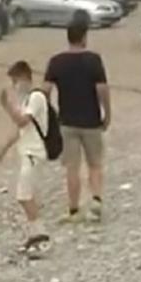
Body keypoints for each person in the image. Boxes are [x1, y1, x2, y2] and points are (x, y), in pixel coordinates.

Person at [42, 19, 110, 224]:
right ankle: (96, 200)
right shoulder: (93, 60)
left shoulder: (56, 62)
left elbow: (45, 91)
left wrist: (49, 114)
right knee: (95, 163)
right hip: (91, 121)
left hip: (67, 122)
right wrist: (107, 113)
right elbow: (102, 90)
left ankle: (73, 209)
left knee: (72, 167)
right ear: (83, 38)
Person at [0, 61, 51, 255]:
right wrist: (3, 150)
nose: (14, 86)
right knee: (28, 195)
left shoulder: (36, 98)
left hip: (34, 153)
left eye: (15, 81)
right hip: (27, 152)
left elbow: (21, 121)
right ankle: (35, 235)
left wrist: (7, 105)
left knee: (24, 195)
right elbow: (20, 130)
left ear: (25, 78)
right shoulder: (27, 101)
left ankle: (41, 235)